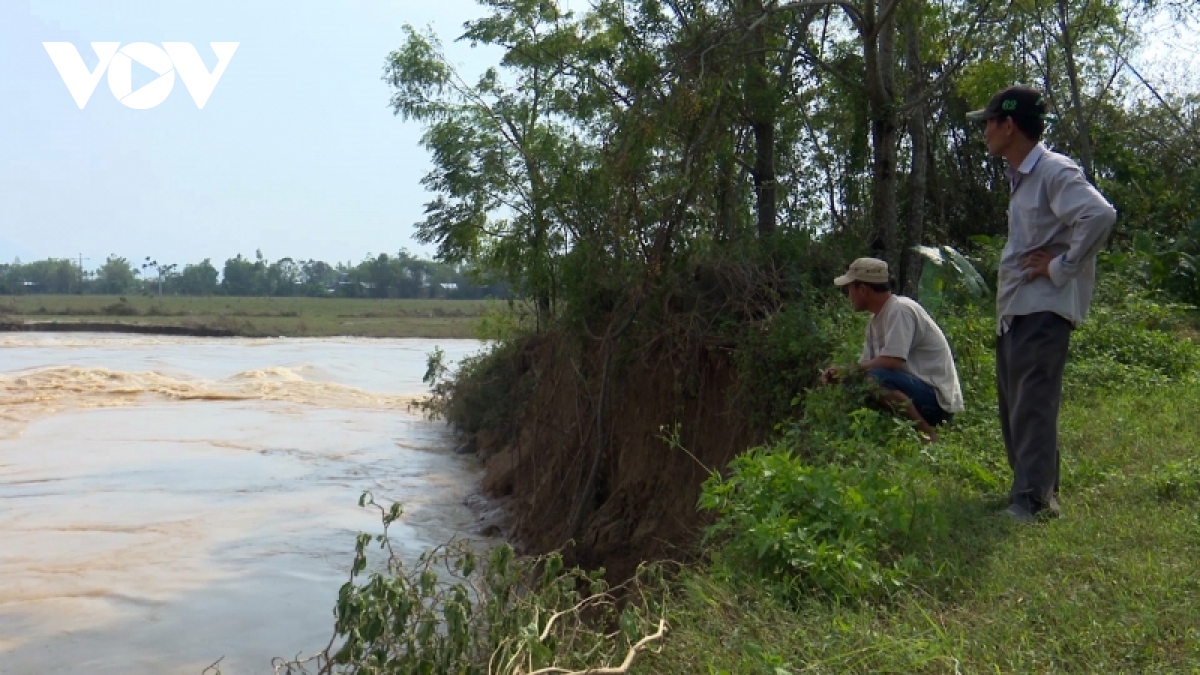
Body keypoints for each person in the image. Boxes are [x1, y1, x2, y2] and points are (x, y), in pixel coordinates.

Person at [967, 85, 1116, 522]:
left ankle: (1032, 500)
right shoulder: (1022, 179)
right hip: (1018, 308)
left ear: (1008, 125)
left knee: (1032, 402)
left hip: (1043, 308)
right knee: (1017, 404)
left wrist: (1060, 266)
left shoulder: (1053, 171)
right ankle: (1032, 489)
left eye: (989, 124)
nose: (985, 134)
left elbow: (1100, 215)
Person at [821, 257, 964, 443]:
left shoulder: (900, 309)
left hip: (936, 403)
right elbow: (864, 366)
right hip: (914, 393)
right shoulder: (874, 323)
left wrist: (851, 370)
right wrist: (843, 374)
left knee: (876, 377)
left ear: (862, 289)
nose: (848, 295)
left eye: (849, 289)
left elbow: (892, 361)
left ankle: (928, 434)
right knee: (859, 381)